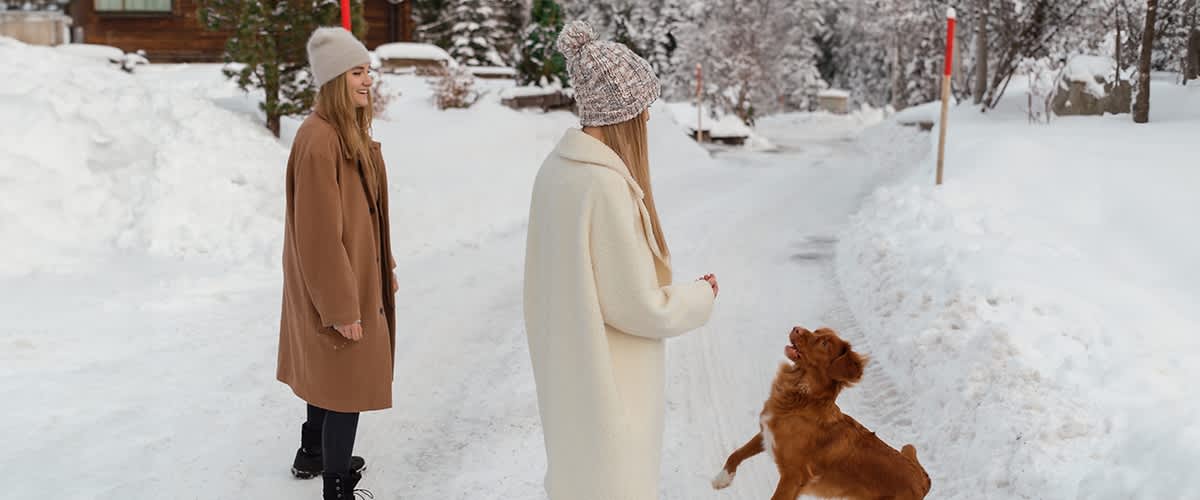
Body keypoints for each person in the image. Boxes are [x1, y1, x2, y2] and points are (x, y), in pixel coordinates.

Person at [522, 20, 720, 500]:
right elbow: (636, 306)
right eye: (642, 108)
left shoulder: (555, 172)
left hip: (570, 383)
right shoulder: (606, 186)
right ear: (622, 113)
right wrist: (699, 296)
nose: (648, 120)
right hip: (610, 391)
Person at [276, 26, 398, 500]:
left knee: (328, 369)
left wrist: (384, 265)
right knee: (345, 375)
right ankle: (337, 485)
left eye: (368, 71)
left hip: (356, 275)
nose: (368, 81)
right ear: (332, 80)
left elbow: (367, 215)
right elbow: (319, 236)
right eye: (356, 72)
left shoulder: (348, 134)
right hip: (336, 284)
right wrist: (341, 307)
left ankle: (312, 452)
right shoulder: (319, 140)